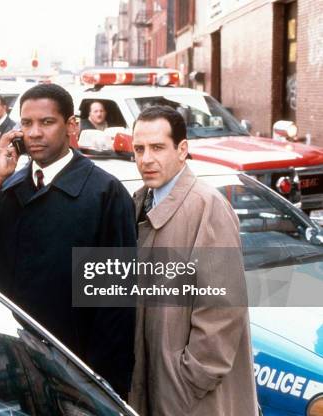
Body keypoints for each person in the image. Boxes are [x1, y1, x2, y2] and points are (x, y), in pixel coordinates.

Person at [0, 83, 137, 396]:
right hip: (9, 367)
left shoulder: (105, 193)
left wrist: (103, 390)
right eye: (26, 123)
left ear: (71, 126)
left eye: (46, 123)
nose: (34, 133)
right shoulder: (7, 186)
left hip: (75, 376)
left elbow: (116, 306)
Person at [129, 106, 257, 415]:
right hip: (157, 385)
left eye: (158, 147)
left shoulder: (207, 205)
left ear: (182, 149)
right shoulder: (138, 200)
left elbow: (222, 310)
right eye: (139, 149)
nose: (146, 159)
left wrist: (188, 380)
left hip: (193, 399)